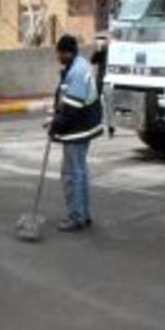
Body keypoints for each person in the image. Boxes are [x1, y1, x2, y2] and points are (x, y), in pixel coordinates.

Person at [48, 34, 104, 232]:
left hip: (78, 129)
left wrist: (55, 126)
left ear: (67, 53)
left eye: (59, 53)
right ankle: (83, 214)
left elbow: (72, 107)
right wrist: (56, 118)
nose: (58, 57)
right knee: (80, 172)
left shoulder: (77, 71)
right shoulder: (79, 65)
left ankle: (76, 216)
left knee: (72, 174)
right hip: (83, 126)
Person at [90, 33, 114, 138]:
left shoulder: (113, 51)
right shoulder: (101, 52)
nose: (103, 42)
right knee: (97, 102)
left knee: (109, 103)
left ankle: (111, 127)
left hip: (109, 80)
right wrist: (98, 50)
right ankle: (98, 124)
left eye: (104, 40)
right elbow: (92, 60)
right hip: (100, 79)